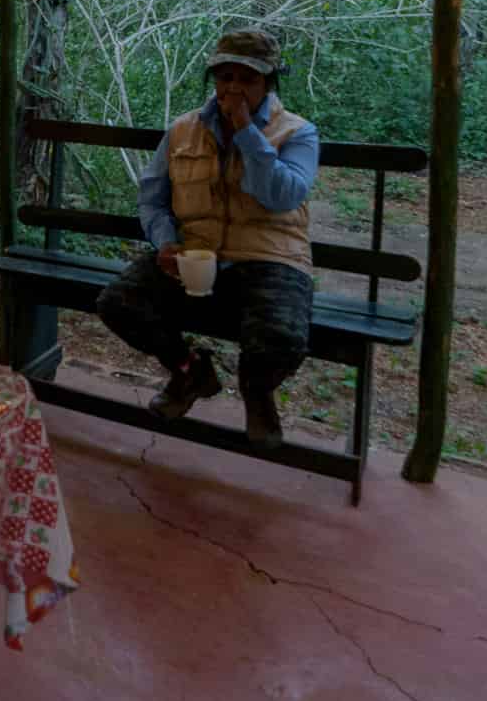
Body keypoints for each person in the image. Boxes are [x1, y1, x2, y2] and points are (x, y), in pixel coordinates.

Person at [95, 29, 320, 448]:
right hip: (197, 254)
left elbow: (282, 194)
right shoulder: (183, 130)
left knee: (283, 338)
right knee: (118, 303)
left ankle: (257, 392)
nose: (233, 87)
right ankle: (190, 371)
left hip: (271, 257)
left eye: (247, 79)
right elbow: (152, 199)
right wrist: (165, 242)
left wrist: (247, 134)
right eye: (225, 77)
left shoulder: (298, 133)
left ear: (268, 84)